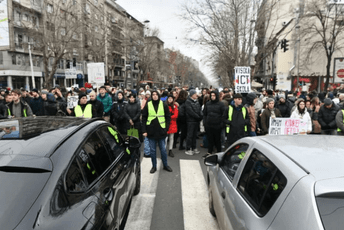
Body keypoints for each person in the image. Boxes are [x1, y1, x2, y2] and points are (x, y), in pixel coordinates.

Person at [142, 90, 172, 173]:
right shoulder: (148, 104)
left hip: (161, 131)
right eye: (153, 95)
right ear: (151, 96)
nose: (155, 96)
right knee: (152, 151)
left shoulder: (163, 104)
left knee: (163, 150)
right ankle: (154, 166)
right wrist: (144, 130)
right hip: (151, 131)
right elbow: (144, 118)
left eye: (156, 94)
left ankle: (165, 165)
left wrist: (166, 128)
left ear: (159, 96)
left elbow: (168, 117)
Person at [203, 91, 225, 158]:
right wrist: (205, 123)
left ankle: (219, 152)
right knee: (210, 139)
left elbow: (223, 115)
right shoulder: (207, 104)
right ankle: (209, 152)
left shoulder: (221, 104)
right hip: (209, 124)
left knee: (217, 140)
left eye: (214, 95)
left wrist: (221, 124)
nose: (212, 97)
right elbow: (204, 114)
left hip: (217, 125)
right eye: (211, 95)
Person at [185, 89, 202, 155]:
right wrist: (198, 117)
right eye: (195, 94)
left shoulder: (196, 101)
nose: (196, 95)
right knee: (190, 135)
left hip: (196, 121)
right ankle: (188, 148)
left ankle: (194, 147)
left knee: (195, 135)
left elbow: (200, 109)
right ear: (192, 95)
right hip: (190, 121)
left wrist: (201, 116)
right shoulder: (188, 102)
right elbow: (190, 111)